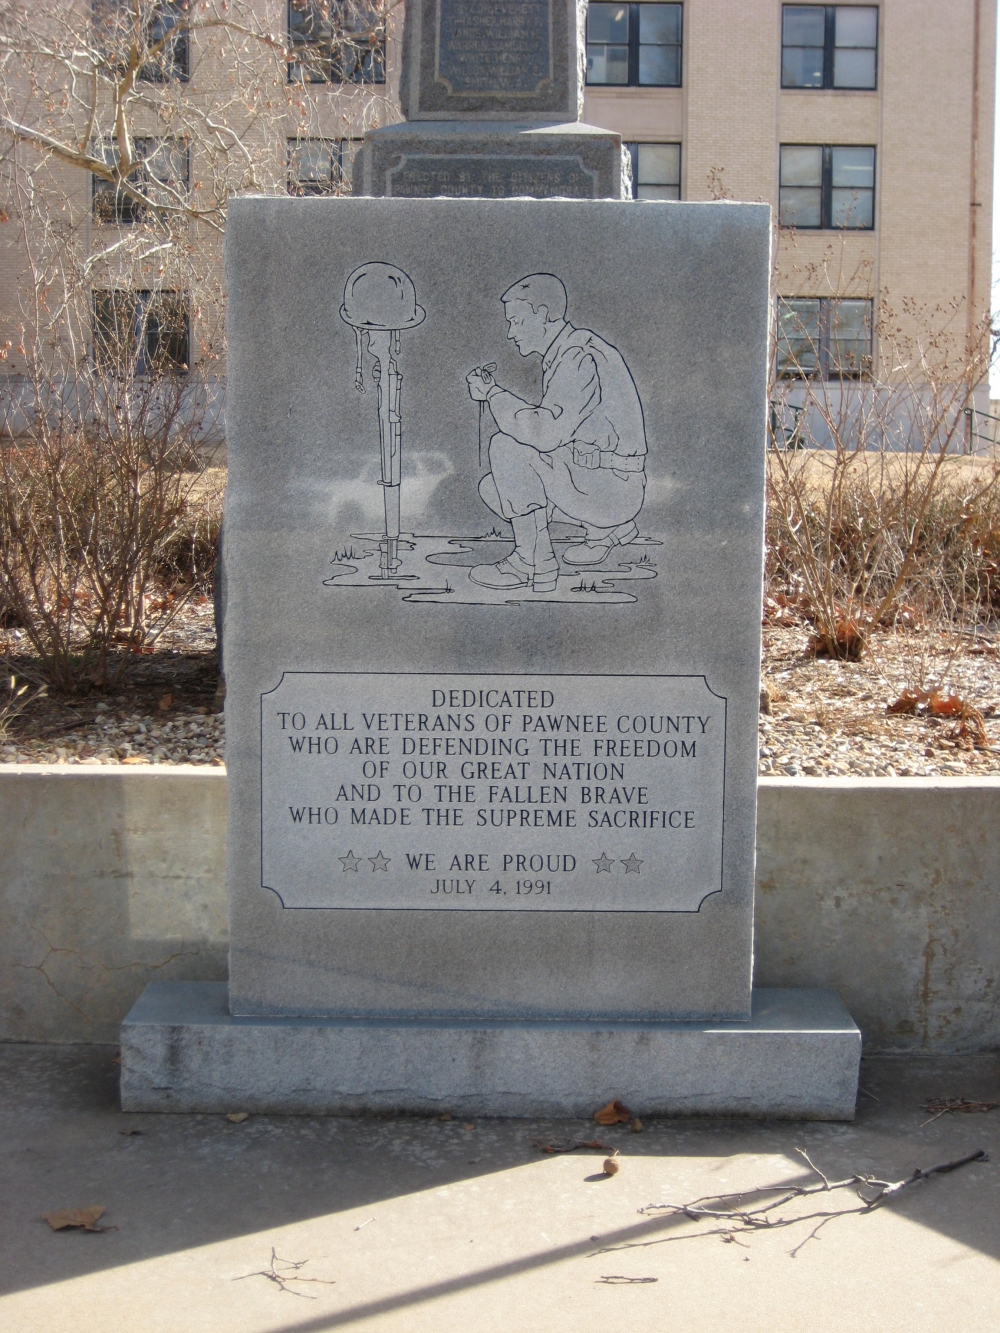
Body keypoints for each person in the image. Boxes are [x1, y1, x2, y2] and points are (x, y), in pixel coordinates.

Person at [465, 273, 647, 592]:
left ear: (545, 314)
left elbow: (544, 433)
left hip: (612, 489)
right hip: (607, 482)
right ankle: (605, 531)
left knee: (506, 449)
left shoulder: (577, 357)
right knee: (494, 488)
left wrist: (493, 394)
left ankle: (532, 562)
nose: (511, 333)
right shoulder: (575, 348)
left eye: (518, 321)